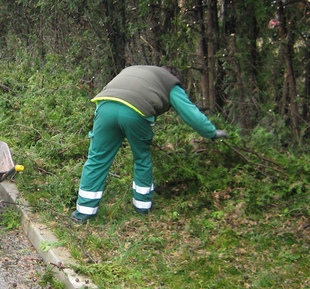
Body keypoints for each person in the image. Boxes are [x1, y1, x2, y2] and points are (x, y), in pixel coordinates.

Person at [71, 65, 228, 223]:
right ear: (174, 77)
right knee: (142, 158)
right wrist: (211, 132)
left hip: (105, 106)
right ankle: (142, 208)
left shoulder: (134, 70)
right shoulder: (170, 83)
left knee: (97, 159)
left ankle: (83, 213)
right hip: (134, 112)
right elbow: (189, 112)